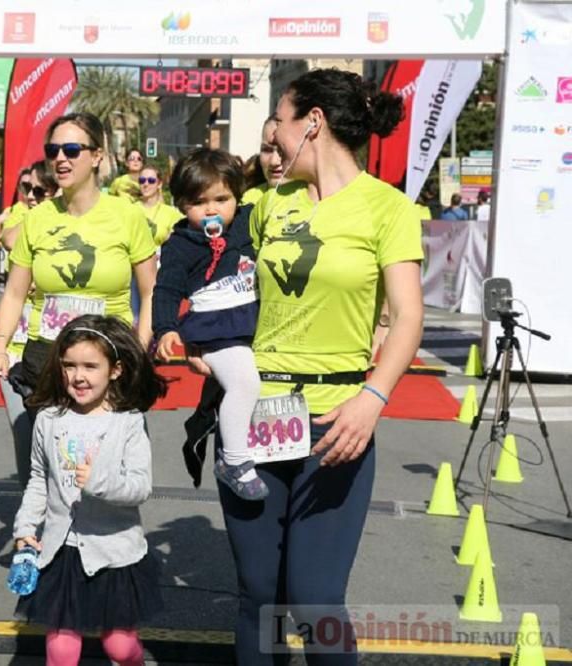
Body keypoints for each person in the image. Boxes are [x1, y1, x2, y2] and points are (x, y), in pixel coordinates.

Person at [207, 68, 423, 666]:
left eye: (280, 116)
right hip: (253, 417)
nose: (272, 129)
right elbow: (201, 269)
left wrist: (373, 398)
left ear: (313, 123)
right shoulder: (262, 204)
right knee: (258, 595)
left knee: (315, 599)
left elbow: (407, 317)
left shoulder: (388, 208)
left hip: (339, 422)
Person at [0, 113, 157, 428]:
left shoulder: (126, 215)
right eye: (53, 150)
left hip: (108, 362)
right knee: (43, 469)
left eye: (72, 150)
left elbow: (150, 293)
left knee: (101, 471)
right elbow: (14, 293)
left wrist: (139, 353)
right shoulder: (35, 219)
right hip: (46, 360)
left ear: (96, 156)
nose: (60, 158)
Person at [13, 315, 167, 666]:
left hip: (114, 552)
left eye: (90, 366)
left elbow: (140, 487)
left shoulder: (128, 422)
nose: (78, 376)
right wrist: (24, 528)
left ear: (115, 370)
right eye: (69, 365)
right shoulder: (48, 419)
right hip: (61, 552)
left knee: (120, 647)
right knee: (62, 650)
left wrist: (100, 483)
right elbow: (39, 479)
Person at [153, 148, 265, 500]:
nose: (213, 209)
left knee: (250, 386)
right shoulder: (180, 245)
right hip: (213, 331)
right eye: (200, 202)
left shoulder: (248, 222)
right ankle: (233, 461)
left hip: (252, 325)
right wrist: (166, 329)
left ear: (237, 197)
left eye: (222, 198)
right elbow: (166, 290)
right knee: (245, 384)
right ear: (183, 205)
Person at [0, 160, 59, 488]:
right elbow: (5, 239)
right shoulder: (26, 217)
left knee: (59, 445)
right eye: (27, 189)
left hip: (54, 347)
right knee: (25, 436)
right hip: (17, 347)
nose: (31, 196)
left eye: (39, 190)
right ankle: (32, 517)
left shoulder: (72, 222)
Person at [135, 164, 182, 247]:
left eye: (151, 180)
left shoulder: (171, 213)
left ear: (159, 184)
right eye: (142, 180)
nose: (146, 184)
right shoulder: (131, 209)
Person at [240, 117, 284, 206]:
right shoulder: (248, 201)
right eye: (266, 150)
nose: (274, 161)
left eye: (282, 150)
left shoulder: (317, 197)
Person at [0, 168, 32, 248]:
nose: (28, 189)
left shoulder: (44, 209)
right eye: (24, 185)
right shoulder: (11, 211)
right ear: (18, 187)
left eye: (30, 185)